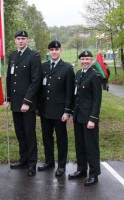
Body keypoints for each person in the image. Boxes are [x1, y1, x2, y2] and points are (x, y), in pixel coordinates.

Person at [4, 30, 41, 177]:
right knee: (20, 133)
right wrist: (8, 98)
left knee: (29, 133)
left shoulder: (33, 56)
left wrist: (27, 101)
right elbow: (9, 79)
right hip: (16, 103)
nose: (20, 41)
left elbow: (35, 81)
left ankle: (32, 164)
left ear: (28, 40)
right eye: (18, 38)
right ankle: (23, 159)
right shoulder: (13, 55)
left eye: (23, 39)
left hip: (27, 103)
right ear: (15, 40)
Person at [37, 40, 75, 176]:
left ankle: (62, 165)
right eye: (51, 50)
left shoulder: (67, 68)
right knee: (46, 137)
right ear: (48, 52)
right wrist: (38, 106)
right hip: (45, 109)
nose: (54, 52)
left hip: (59, 111)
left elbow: (70, 92)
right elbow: (40, 88)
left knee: (61, 138)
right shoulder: (43, 67)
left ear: (61, 51)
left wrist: (67, 111)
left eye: (56, 49)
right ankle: (49, 162)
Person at [68, 50, 102, 186]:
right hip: (78, 116)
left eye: (88, 59)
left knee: (91, 147)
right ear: (80, 61)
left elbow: (97, 99)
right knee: (80, 145)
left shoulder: (94, 75)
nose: (85, 61)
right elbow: (76, 95)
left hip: (89, 118)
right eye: (83, 59)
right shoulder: (78, 73)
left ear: (92, 60)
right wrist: (72, 113)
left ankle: (94, 174)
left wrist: (93, 119)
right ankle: (81, 170)